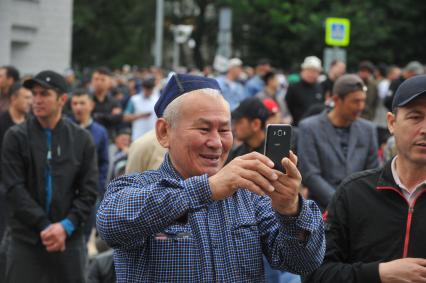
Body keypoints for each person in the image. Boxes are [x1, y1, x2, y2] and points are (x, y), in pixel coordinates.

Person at [97, 74, 325, 282]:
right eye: (204, 129)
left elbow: (302, 263)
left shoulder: (250, 194)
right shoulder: (135, 187)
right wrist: (207, 188)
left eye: (225, 130)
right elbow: (111, 224)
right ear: (164, 132)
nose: (217, 142)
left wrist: (290, 209)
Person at [304, 74, 426, 283]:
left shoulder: (365, 131)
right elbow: (314, 273)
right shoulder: (353, 193)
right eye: (415, 117)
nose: (425, 130)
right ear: (391, 123)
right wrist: (378, 274)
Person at [1, 70, 98, 283]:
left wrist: (66, 226)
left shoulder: (81, 139)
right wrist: (45, 226)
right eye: (34, 94)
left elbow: (89, 190)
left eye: (44, 94)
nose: (36, 100)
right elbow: (13, 188)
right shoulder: (16, 137)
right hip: (25, 239)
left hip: (68, 240)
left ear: (62, 99)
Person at [298, 74, 379, 210]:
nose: (361, 107)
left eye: (363, 101)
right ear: (336, 100)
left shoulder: (368, 129)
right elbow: (310, 175)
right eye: (355, 101)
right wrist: (342, 203)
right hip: (322, 211)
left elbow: (374, 172)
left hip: (360, 208)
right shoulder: (309, 127)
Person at [285, 56, 323, 126]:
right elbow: (287, 106)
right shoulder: (293, 87)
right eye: (309, 71)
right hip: (298, 127)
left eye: (315, 71)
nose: (311, 74)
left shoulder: (319, 87)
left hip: (316, 127)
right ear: (302, 71)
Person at [124, 76, 159, 141]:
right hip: (138, 136)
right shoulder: (134, 99)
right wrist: (140, 115)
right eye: (147, 89)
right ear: (143, 88)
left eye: (150, 90)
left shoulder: (157, 100)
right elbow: (125, 117)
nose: (148, 92)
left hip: (153, 137)